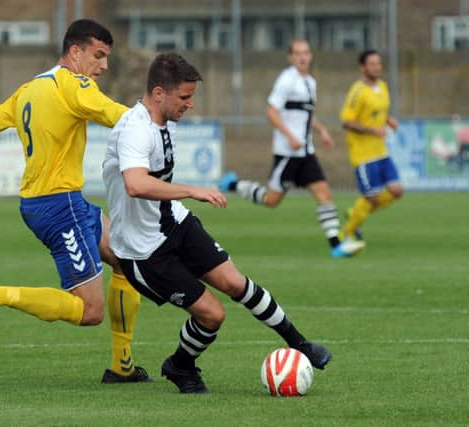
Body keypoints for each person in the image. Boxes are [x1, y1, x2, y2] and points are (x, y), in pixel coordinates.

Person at [102, 52, 331, 394]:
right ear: (159, 93)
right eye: (184, 97)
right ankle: (180, 365)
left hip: (173, 222)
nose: (190, 105)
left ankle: (300, 344)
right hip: (143, 250)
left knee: (237, 283)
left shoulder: (168, 122)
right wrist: (193, 190)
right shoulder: (135, 129)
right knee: (212, 315)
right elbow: (136, 184)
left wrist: (183, 198)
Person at [0, 19, 149, 383]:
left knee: (127, 259)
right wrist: (153, 124)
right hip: (59, 206)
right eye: (98, 56)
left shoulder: (28, 90)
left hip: (60, 201)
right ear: (76, 52)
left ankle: (122, 367)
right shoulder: (74, 84)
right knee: (90, 312)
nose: (103, 66)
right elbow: (112, 113)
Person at [218, 39, 365, 258]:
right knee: (271, 200)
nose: (302, 57)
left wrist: (321, 129)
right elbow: (271, 111)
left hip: (306, 152)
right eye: (297, 53)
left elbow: (305, 113)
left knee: (324, 193)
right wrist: (291, 137)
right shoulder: (287, 80)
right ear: (290, 57)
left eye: (305, 52)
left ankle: (336, 245)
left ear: (311, 55)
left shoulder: (310, 82)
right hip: (288, 153)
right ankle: (233, 183)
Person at [339, 49, 403, 242]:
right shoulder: (357, 91)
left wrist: (388, 120)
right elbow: (347, 122)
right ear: (363, 67)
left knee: (396, 191)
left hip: (381, 151)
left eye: (379, 63)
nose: (377, 67)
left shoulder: (383, 86)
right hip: (363, 153)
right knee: (371, 198)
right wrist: (372, 130)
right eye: (372, 64)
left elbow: (378, 114)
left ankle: (355, 212)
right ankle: (344, 235)